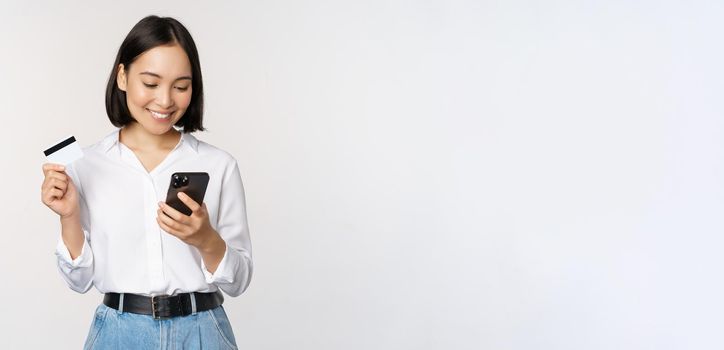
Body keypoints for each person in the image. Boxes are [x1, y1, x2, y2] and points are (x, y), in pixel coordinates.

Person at [40, 15, 253, 349]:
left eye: (181, 86)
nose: (166, 100)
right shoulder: (86, 164)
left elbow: (239, 281)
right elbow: (78, 281)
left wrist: (206, 239)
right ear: (122, 76)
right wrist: (69, 215)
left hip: (203, 333)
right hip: (119, 334)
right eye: (151, 83)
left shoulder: (218, 164)